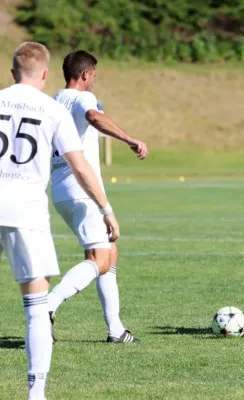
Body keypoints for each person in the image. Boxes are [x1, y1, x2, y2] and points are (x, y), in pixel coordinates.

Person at [0, 42, 119, 400]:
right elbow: (80, 165)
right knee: (37, 307)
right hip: (26, 210)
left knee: (101, 261)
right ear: (46, 73)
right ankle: (36, 394)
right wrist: (106, 208)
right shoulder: (52, 109)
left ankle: (116, 327)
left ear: (12, 73)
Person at [47, 50, 148, 344]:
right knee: (99, 258)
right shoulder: (82, 99)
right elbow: (93, 116)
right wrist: (130, 139)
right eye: (94, 77)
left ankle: (115, 330)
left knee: (108, 254)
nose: (94, 83)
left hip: (61, 189)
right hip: (82, 188)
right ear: (85, 74)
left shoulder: (54, 101)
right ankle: (48, 306)